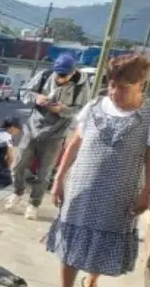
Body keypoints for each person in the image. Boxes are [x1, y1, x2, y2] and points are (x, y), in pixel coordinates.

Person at [37, 54, 150, 287]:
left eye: (124, 88)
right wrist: (59, 179)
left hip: (120, 191)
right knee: (72, 240)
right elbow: (74, 144)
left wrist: (148, 191)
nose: (115, 92)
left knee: (103, 242)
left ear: (141, 83)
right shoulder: (94, 106)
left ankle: (91, 280)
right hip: (81, 187)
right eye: (112, 85)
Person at [5, 54, 90, 220]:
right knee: (18, 166)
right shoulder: (44, 76)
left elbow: (82, 110)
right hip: (33, 127)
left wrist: (63, 109)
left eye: (63, 75)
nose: (59, 78)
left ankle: (33, 203)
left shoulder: (81, 86)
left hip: (56, 133)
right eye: (57, 74)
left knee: (44, 172)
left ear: (73, 73)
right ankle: (18, 191)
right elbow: (24, 92)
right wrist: (37, 98)